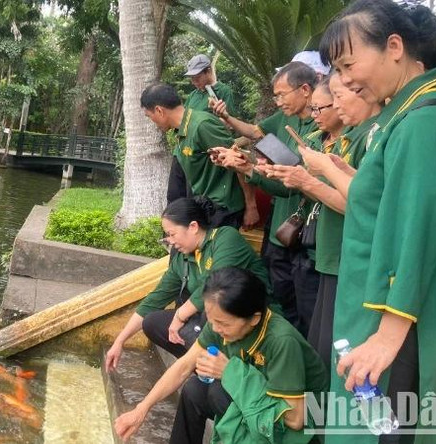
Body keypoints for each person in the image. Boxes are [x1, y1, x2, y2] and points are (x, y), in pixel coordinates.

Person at [318, 1, 436, 442]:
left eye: (348, 65)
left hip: (402, 319)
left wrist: (387, 338)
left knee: (386, 430)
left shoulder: (425, 122)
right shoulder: (404, 117)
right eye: (337, 70)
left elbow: (417, 231)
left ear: (394, 47)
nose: (345, 81)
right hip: (380, 305)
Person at [114, 267, 328, 444]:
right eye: (211, 319)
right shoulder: (220, 323)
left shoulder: (282, 341)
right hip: (259, 401)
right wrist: (141, 409)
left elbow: (295, 418)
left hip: (305, 428)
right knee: (195, 390)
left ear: (254, 319)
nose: (215, 329)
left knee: (217, 392)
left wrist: (230, 372)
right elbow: (183, 367)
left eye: (223, 323)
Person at [275, 73, 381, 369]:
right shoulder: (351, 136)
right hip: (329, 254)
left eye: (336, 98)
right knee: (321, 343)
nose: (315, 114)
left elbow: (359, 204)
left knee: (338, 350)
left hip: (349, 256)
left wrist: (310, 180)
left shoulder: (371, 135)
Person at [210, 62, 321, 336]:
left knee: (306, 308)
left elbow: (289, 184)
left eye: (282, 94)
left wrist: (249, 168)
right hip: (279, 228)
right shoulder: (284, 119)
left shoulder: (322, 129)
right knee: (280, 296)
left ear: (305, 90)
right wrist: (231, 129)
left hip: (306, 234)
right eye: (275, 96)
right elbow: (254, 132)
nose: (278, 101)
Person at [105, 197, 270, 371]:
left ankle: (221, 369)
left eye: (172, 234)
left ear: (193, 227)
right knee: (152, 322)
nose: (170, 241)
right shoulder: (183, 258)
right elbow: (155, 299)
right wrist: (120, 341)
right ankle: (202, 369)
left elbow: (214, 286)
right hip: (216, 324)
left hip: (250, 321)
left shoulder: (226, 238)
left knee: (210, 310)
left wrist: (180, 316)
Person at [141, 83, 254, 228]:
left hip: (223, 210)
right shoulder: (181, 131)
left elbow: (240, 163)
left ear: (159, 110)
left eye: (149, 116)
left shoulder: (202, 125)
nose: (152, 122)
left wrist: (251, 207)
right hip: (205, 208)